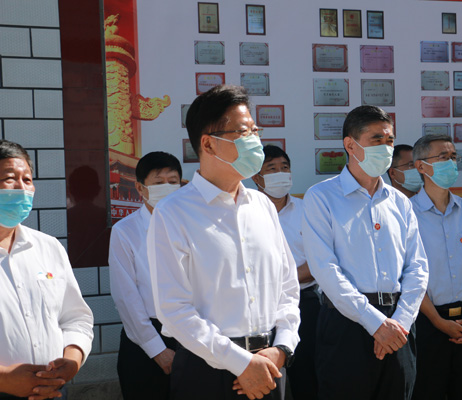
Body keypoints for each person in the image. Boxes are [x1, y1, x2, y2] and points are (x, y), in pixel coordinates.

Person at [147, 85, 300, 400]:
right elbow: (173, 309)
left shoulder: (262, 205)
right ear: (208, 143)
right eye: (243, 133)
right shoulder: (173, 212)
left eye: (254, 131)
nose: (254, 141)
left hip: (271, 363)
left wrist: (283, 348)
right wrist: (241, 363)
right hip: (208, 370)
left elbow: (287, 288)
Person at [302, 105, 429, 400]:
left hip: (399, 323)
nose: (386, 148)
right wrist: (375, 323)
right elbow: (325, 268)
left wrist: (400, 322)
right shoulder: (321, 197)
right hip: (347, 324)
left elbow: (417, 267)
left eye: (389, 140)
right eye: (376, 140)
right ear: (350, 145)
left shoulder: (399, 201)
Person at [0, 140, 94, 399]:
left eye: (27, 180)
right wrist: (4, 380)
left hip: (54, 391)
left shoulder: (48, 247)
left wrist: (72, 361)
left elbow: (76, 318)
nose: (22, 188)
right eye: (10, 178)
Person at [410, 134, 462, 400]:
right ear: (421, 166)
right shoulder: (406, 213)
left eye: (454, 157)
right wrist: (438, 321)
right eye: (443, 157)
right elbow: (406, 277)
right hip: (427, 320)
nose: (452, 163)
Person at [109, 151, 182, 399]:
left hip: (191, 335)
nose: (167, 187)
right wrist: (156, 349)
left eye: (173, 182)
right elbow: (126, 297)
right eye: (159, 182)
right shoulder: (125, 231)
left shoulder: (192, 226)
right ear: (140, 188)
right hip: (145, 339)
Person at [251, 145, 318, 400]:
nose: (280, 173)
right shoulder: (244, 211)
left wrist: (280, 283)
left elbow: (318, 261)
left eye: (284, 168)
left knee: (306, 375)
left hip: (305, 303)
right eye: (272, 169)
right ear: (256, 177)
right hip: (260, 309)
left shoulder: (307, 209)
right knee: (266, 378)